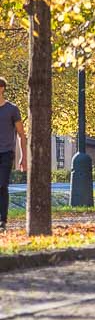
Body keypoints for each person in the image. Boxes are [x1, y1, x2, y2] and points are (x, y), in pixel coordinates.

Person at [0, 77, 26, 231]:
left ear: (2, 88)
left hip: (6, 153)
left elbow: (21, 134)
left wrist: (23, 157)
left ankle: (3, 220)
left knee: (2, 185)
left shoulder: (12, 109)